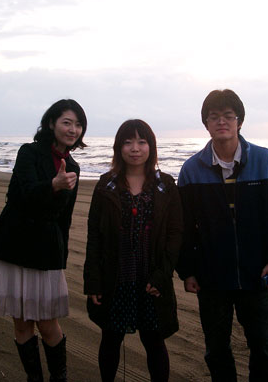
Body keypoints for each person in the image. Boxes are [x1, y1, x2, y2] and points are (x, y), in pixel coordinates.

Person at [176, 89, 268, 382]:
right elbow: (184, 228)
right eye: (214, 117)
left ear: (239, 121)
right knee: (216, 349)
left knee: (264, 348)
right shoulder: (191, 169)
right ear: (206, 124)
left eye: (228, 116)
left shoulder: (263, 159)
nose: (221, 122)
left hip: (257, 273)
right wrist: (188, 271)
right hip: (212, 277)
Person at [0, 99, 88, 382]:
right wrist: (53, 185)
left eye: (78, 124)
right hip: (14, 244)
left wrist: (61, 257)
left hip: (45, 251)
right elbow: (22, 194)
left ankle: (59, 378)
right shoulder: (28, 152)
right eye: (67, 122)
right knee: (22, 323)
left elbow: (64, 218)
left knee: (48, 322)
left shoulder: (73, 167)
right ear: (51, 123)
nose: (73, 129)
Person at [84, 119, 183, 382]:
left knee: (154, 341)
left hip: (151, 279)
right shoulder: (106, 185)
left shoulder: (165, 185)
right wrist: (93, 281)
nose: (135, 148)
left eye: (141, 141)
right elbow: (94, 236)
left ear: (151, 146)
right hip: (116, 278)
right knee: (110, 338)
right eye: (127, 142)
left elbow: (175, 235)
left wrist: (162, 276)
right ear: (119, 148)